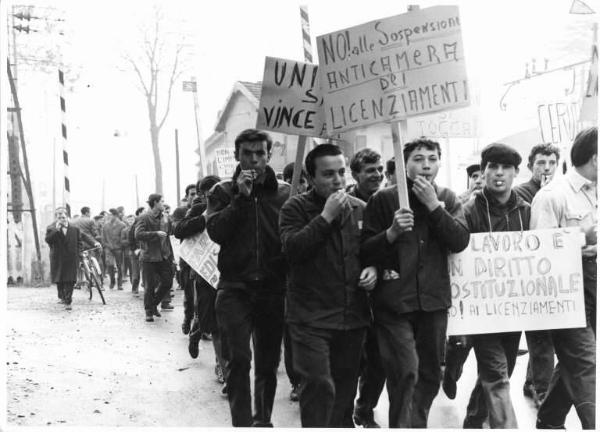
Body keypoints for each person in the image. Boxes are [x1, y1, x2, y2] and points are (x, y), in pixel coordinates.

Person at [361, 137, 470, 428]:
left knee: (430, 374)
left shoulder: (447, 197)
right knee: (405, 371)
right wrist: (392, 232)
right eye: (418, 159)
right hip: (394, 303)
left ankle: (414, 423)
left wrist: (435, 207)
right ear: (403, 164)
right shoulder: (384, 200)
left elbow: (459, 240)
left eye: (432, 159)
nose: (425, 165)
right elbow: (365, 250)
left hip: (433, 302)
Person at [280, 143, 376, 427]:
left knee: (344, 394)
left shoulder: (360, 209)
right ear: (310, 178)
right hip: (310, 319)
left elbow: (371, 251)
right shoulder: (294, 208)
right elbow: (292, 250)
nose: (337, 180)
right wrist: (326, 217)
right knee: (319, 386)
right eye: (328, 174)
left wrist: (374, 268)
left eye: (341, 172)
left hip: (351, 318)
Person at [206, 129, 290, 427]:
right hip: (234, 289)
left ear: (269, 155)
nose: (253, 160)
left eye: (260, 154)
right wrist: (240, 199)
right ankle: (241, 423)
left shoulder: (284, 193)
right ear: (237, 156)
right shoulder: (221, 192)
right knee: (239, 360)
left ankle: (262, 421)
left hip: (272, 288)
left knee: (268, 364)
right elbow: (215, 231)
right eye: (247, 154)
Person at [462, 143, 530, 429]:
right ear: (484, 170)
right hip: (482, 312)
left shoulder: (527, 210)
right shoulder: (469, 210)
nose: (498, 173)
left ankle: (475, 418)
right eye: (492, 166)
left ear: (516, 172)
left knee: (505, 370)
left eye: (505, 167)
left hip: (514, 310)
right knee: (498, 375)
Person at [532, 127, 597, 430]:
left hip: (594, 285)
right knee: (585, 363)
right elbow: (539, 255)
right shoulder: (552, 196)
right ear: (595, 159)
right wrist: (579, 238)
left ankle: (549, 420)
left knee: (575, 362)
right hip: (566, 292)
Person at [513, 143, 560, 408]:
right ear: (531, 165)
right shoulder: (521, 193)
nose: (546, 168)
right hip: (527, 272)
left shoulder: (558, 192)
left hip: (550, 272)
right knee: (540, 335)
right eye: (541, 162)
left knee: (545, 336)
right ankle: (542, 389)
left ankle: (533, 381)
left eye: (552, 163)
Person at [174, 176, 227, 392]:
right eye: (207, 194)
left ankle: (223, 367)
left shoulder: (232, 206)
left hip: (231, 275)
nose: (210, 197)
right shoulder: (198, 210)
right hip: (205, 277)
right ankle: (197, 333)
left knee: (227, 325)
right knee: (211, 323)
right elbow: (179, 230)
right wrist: (204, 217)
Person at [347, 148, 386, 428]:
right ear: (355, 174)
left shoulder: (389, 202)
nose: (378, 175)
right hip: (349, 292)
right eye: (370, 170)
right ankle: (343, 410)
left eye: (380, 169)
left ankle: (365, 407)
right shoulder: (344, 205)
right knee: (351, 359)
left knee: (379, 358)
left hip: (383, 294)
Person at [281, 162, 307, 401]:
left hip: (317, 282)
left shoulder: (319, 204)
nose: (301, 186)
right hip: (286, 280)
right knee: (292, 334)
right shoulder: (282, 203)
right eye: (297, 181)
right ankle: (297, 380)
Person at [45, 207, 98, 310]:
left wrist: (79, 253)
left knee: (70, 280)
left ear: (67, 217)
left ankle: (68, 301)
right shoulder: (51, 228)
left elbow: (80, 242)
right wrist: (57, 229)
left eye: (64, 217)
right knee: (59, 280)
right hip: (58, 258)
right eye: (59, 217)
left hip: (71, 258)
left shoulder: (75, 228)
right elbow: (48, 240)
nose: (62, 219)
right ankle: (63, 297)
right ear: (56, 218)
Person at [135, 194, 175, 322]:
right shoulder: (144, 217)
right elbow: (138, 234)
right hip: (149, 257)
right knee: (150, 286)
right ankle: (148, 312)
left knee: (168, 282)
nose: (164, 204)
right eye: (162, 202)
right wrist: (155, 234)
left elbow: (170, 237)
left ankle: (153, 305)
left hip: (164, 256)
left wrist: (172, 256)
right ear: (155, 203)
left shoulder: (166, 218)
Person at [172, 183, 198, 333]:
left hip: (205, 259)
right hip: (188, 259)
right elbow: (177, 230)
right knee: (189, 293)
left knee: (203, 295)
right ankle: (188, 318)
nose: (195, 197)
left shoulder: (208, 208)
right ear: (187, 196)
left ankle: (201, 325)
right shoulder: (181, 211)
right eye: (192, 194)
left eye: (197, 194)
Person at [102, 208, 127, 290]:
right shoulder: (105, 225)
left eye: (111, 215)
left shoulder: (122, 225)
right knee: (110, 264)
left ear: (115, 215)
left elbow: (123, 237)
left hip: (118, 248)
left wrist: (120, 246)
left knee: (120, 266)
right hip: (108, 248)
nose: (109, 216)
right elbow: (103, 238)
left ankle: (119, 284)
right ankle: (112, 281)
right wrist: (107, 245)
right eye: (109, 215)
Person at [128, 207, 145, 295]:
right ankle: (135, 289)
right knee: (136, 271)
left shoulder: (144, 223)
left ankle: (146, 287)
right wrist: (135, 249)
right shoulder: (134, 226)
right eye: (143, 212)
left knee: (145, 270)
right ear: (138, 214)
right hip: (135, 251)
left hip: (144, 250)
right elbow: (130, 240)